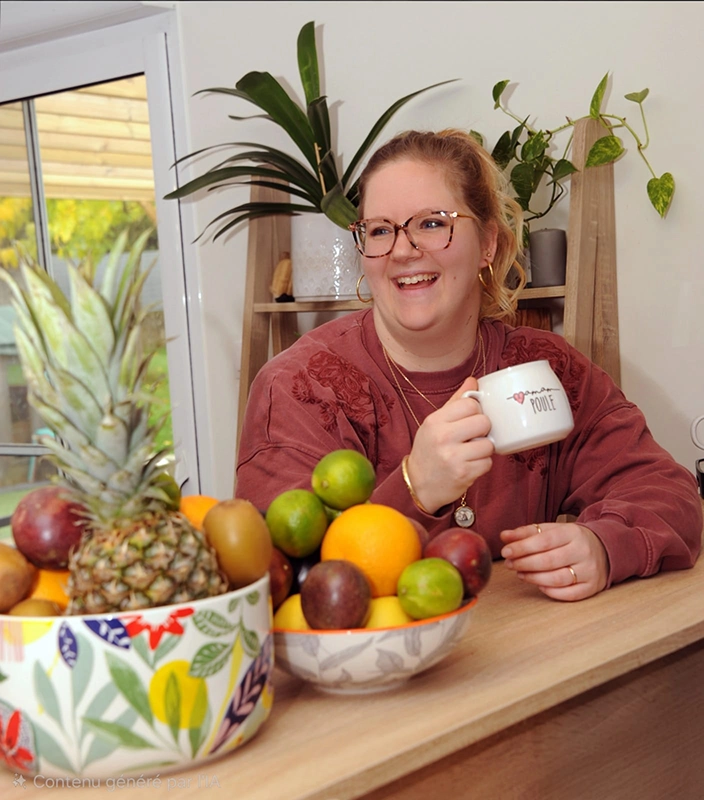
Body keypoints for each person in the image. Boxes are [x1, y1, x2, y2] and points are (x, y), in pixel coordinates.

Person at [235, 129, 702, 601]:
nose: (402, 250)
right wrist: (415, 488)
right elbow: (282, 580)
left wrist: (603, 547)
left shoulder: (545, 370)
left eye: (433, 223)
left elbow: (668, 493)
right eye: (379, 230)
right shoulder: (300, 388)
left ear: (488, 244)